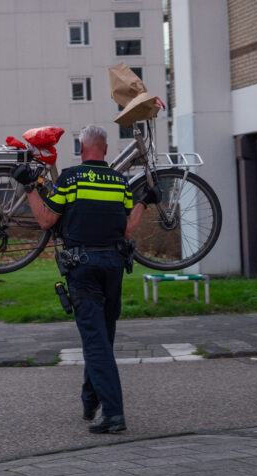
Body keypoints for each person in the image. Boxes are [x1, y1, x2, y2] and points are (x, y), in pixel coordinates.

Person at [13, 125, 159, 433]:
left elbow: (46, 220)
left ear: (82, 148)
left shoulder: (70, 179)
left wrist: (29, 189)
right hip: (114, 265)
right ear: (105, 150)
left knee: (94, 343)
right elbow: (127, 230)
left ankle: (115, 415)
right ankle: (90, 399)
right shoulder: (120, 183)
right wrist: (145, 201)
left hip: (83, 267)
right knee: (103, 337)